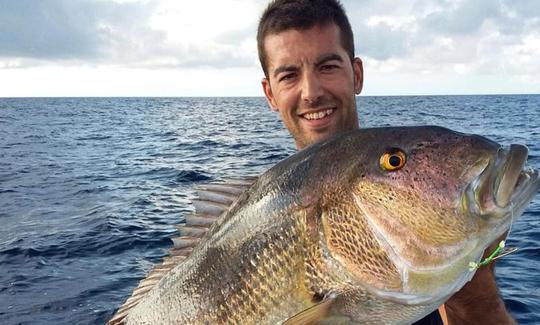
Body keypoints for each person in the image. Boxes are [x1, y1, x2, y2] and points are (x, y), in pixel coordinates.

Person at [256, 0, 515, 324]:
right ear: (270, 94)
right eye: (289, 75)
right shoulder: (260, 218)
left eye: (328, 66)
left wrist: (472, 287)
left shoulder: (418, 233)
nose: (311, 92)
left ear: (357, 74)